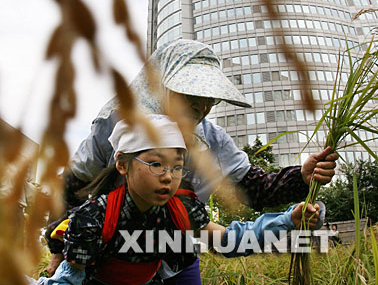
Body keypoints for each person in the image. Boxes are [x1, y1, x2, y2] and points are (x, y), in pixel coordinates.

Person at [45, 39, 337, 281]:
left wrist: (301, 178)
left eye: (209, 98)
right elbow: (73, 185)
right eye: (191, 95)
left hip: (177, 255)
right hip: (111, 258)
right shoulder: (115, 127)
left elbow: (252, 191)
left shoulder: (208, 152)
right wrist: (62, 248)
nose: (203, 107)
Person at [36, 115, 323, 285]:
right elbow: (68, 280)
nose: (168, 177)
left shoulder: (183, 208)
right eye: (156, 164)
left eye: (177, 166)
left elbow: (230, 241)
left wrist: (288, 220)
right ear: (123, 164)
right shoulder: (93, 218)